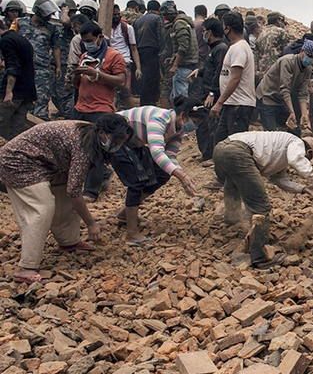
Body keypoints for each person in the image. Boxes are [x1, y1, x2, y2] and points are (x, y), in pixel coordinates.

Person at [0, 115, 132, 283]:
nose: (118, 145)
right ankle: (27, 267)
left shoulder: (91, 134)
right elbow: (75, 192)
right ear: (104, 133)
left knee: (63, 200)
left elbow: (70, 192)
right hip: (18, 162)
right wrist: (91, 223)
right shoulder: (83, 145)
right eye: (117, 139)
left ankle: (69, 241)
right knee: (41, 208)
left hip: (48, 163)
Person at [213, 131, 313, 267]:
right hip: (238, 152)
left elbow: (280, 180)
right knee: (260, 206)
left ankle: (231, 219)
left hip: (221, 149)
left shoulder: (281, 147)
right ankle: (259, 256)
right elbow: (296, 160)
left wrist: (303, 189)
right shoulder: (296, 142)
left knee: (234, 182)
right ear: (308, 152)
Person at [114, 97, 200, 244]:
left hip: (134, 142)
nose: (195, 126)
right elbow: (157, 152)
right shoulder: (159, 119)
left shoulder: (178, 130)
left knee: (162, 173)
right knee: (137, 180)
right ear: (183, 115)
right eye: (195, 122)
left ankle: (126, 214)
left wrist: (182, 176)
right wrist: (181, 175)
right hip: (115, 136)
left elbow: (170, 156)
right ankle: (132, 233)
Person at [72, 21, 127, 200]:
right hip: (81, 106)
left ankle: (91, 191)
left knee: (95, 149)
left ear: (100, 37)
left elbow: (121, 80)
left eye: (90, 40)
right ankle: (100, 175)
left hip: (101, 108)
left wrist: (97, 74)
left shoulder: (113, 56)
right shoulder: (85, 55)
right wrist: (77, 75)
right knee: (79, 148)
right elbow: (79, 83)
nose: (87, 43)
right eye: (84, 40)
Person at [256, 39, 313, 133]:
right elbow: (285, 89)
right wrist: (291, 111)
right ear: (302, 51)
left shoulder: (308, 69)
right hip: (267, 96)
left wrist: (304, 114)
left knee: (293, 130)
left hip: (281, 99)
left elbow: (302, 93)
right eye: (309, 56)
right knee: (271, 134)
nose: (310, 59)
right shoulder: (287, 61)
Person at [211, 12, 256, 142]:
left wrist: (219, 102)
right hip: (231, 104)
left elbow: (235, 77)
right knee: (221, 143)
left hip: (239, 105)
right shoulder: (236, 47)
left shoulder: (239, 48)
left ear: (227, 28)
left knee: (235, 146)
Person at [15, 0, 61, 121]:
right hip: (21, 66)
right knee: (21, 96)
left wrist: (58, 66)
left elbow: (56, 48)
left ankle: (40, 121)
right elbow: (10, 40)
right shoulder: (20, 23)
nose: (48, 17)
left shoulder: (52, 28)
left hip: (42, 67)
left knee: (42, 96)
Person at [190, 18, 227, 161]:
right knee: (203, 123)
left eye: (204, 31)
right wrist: (199, 71)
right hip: (206, 92)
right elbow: (210, 68)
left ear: (210, 32)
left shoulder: (221, 49)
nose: (203, 34)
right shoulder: (214, 49)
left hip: (212, 94)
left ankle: (212, 155)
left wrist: (213, 92)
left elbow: (219, 72)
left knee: (211, 125)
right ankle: (206, 153)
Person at [0, 19, 35, 140]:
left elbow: (13, 67)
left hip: (15, 92)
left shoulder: (6, 41)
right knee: (18, 130)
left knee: (2, 124)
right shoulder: (19, 38)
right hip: (27, 91)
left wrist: (9, 92)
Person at [160, 1, 199, 99]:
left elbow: (183, 47)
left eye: (165, 15)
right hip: (189, 65)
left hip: (184, 66)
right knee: (175, 96)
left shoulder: (179, 24)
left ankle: (181, 114)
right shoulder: (183, 22)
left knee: (180, 99)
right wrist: (173, 59)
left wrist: (175, 65)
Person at [134, 0, 164, 105]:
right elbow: (160, 36)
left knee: (143, 77)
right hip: (152, 50)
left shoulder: (138, 20)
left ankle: (143, 100)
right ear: (158, 9)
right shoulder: (157, 18)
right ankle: (150, 102)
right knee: (152, 78)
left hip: (139, 50)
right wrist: (162, 51)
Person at [110, 4, 143, 103]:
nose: (116, 17)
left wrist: (138, 68)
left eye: (117, 14)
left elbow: (133, 48)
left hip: (124, 61)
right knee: (112, 91)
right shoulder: (105, 27)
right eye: (114, 14)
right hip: (110, 61)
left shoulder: (127, 28)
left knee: (126, 90)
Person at [255, 12, 291, 82]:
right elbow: (287, 52)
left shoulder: (261, 34)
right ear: (278, 20)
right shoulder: (281, 32)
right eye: (283, 22)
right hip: (276, 71)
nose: (283, 24)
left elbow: (256, 55)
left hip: (262, 72)